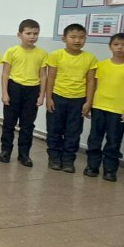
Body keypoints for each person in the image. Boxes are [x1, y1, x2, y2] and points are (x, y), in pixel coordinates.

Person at [83, 33, 124, 181]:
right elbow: (93, 85)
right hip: (99, 106)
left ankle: (110, 169)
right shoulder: (101, 65)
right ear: (110, 46)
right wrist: (89, 103)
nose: (120, 48)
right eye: (116, 44)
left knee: (114, 141)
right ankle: (92, 166)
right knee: (94, 138)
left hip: (119, 110)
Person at [45, 23, 97, 172]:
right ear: (64, 38)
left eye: (81, 37)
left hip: (78, 100)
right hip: (58, 97)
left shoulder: (90, 58)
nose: (77, 40)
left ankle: (68, 160)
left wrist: (88, 102)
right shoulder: (56, 55)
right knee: (54, 129)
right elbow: (51, 77)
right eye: (73, 37)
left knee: (73, 132)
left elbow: (91, 81)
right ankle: (54, 158)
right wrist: (49, 98)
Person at [0, 19, 47, 167]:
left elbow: (43, 75)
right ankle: (6, 151)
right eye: (28, 33)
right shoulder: (12, 51)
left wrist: (41, 95)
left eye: (35, 33)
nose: (32, 36)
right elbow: (5, 74)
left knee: (27, 125)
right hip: (14, 88)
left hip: (32, 90)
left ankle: (24, 154)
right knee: (9, 123)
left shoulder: (42, 54)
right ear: (19, 34)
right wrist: (4, 93)